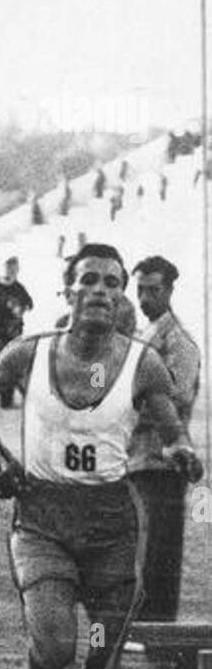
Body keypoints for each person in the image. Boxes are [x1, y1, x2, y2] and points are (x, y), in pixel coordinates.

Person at [0, 243, 200, 669]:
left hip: (113, 524)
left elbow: (172, 429)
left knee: (106, 648)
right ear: (68, 291)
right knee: (56, 648)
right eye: (89, 280)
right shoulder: (29, 354)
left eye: (111, 282)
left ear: (121, 296)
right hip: (44, 518)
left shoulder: (142, 361)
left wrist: (182, 452)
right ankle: (40, 664)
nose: (101, 290)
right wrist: (3, 461)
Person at [129, 255, 201, 621]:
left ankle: (157, 633)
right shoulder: (143, 334)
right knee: (138, 549)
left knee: (160, 554)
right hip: (136, 458)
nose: (144, 297)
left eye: (153, 290)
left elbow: (177, 399)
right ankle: (140, 629)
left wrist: (125, 405)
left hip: (164, 460)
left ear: (170, 290)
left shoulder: (180, 343)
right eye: (140, 289)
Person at [0, 257, 33, 407]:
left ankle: (6, 399)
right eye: (8, 267)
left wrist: (19, 309)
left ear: (17, 271)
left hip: (11, 332)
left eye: (13, 268)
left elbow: (29, 304)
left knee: (10, 364)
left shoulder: (19, 288)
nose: (10, 271)